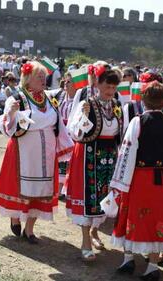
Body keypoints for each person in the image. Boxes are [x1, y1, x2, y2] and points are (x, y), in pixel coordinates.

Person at [0, 61, 74, 243]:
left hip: (46, 152)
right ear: (27, 80)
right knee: (19, 187)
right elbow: (7, 126)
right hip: (22, 151)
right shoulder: (17, 98)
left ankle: (30, 229)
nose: (43, 79)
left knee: (42, 189)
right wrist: (10, 114)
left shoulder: (50, 99)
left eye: (44, 76)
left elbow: (58, 122)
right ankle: (15, 216)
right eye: (38, 77)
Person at [110, 81, 163, 281]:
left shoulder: (138, 122)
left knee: (130, 214)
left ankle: (128, 259)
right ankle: (152, 265)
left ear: (143, 100)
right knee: (159, 219)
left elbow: (126, 152)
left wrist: (120, 182)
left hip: (140, 177)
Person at [65, 70, 122, 261]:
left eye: (114, 87)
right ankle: (85, 241)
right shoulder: (86, 104)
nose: (110, 91)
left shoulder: (117, 106)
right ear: (97, 84)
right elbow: (74, 133)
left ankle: (95, 231)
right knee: (88, 199)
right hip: (88, 154)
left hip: (109, 157)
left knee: (105, 199)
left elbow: (121, 134)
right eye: (107, 86)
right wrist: (83, 117)